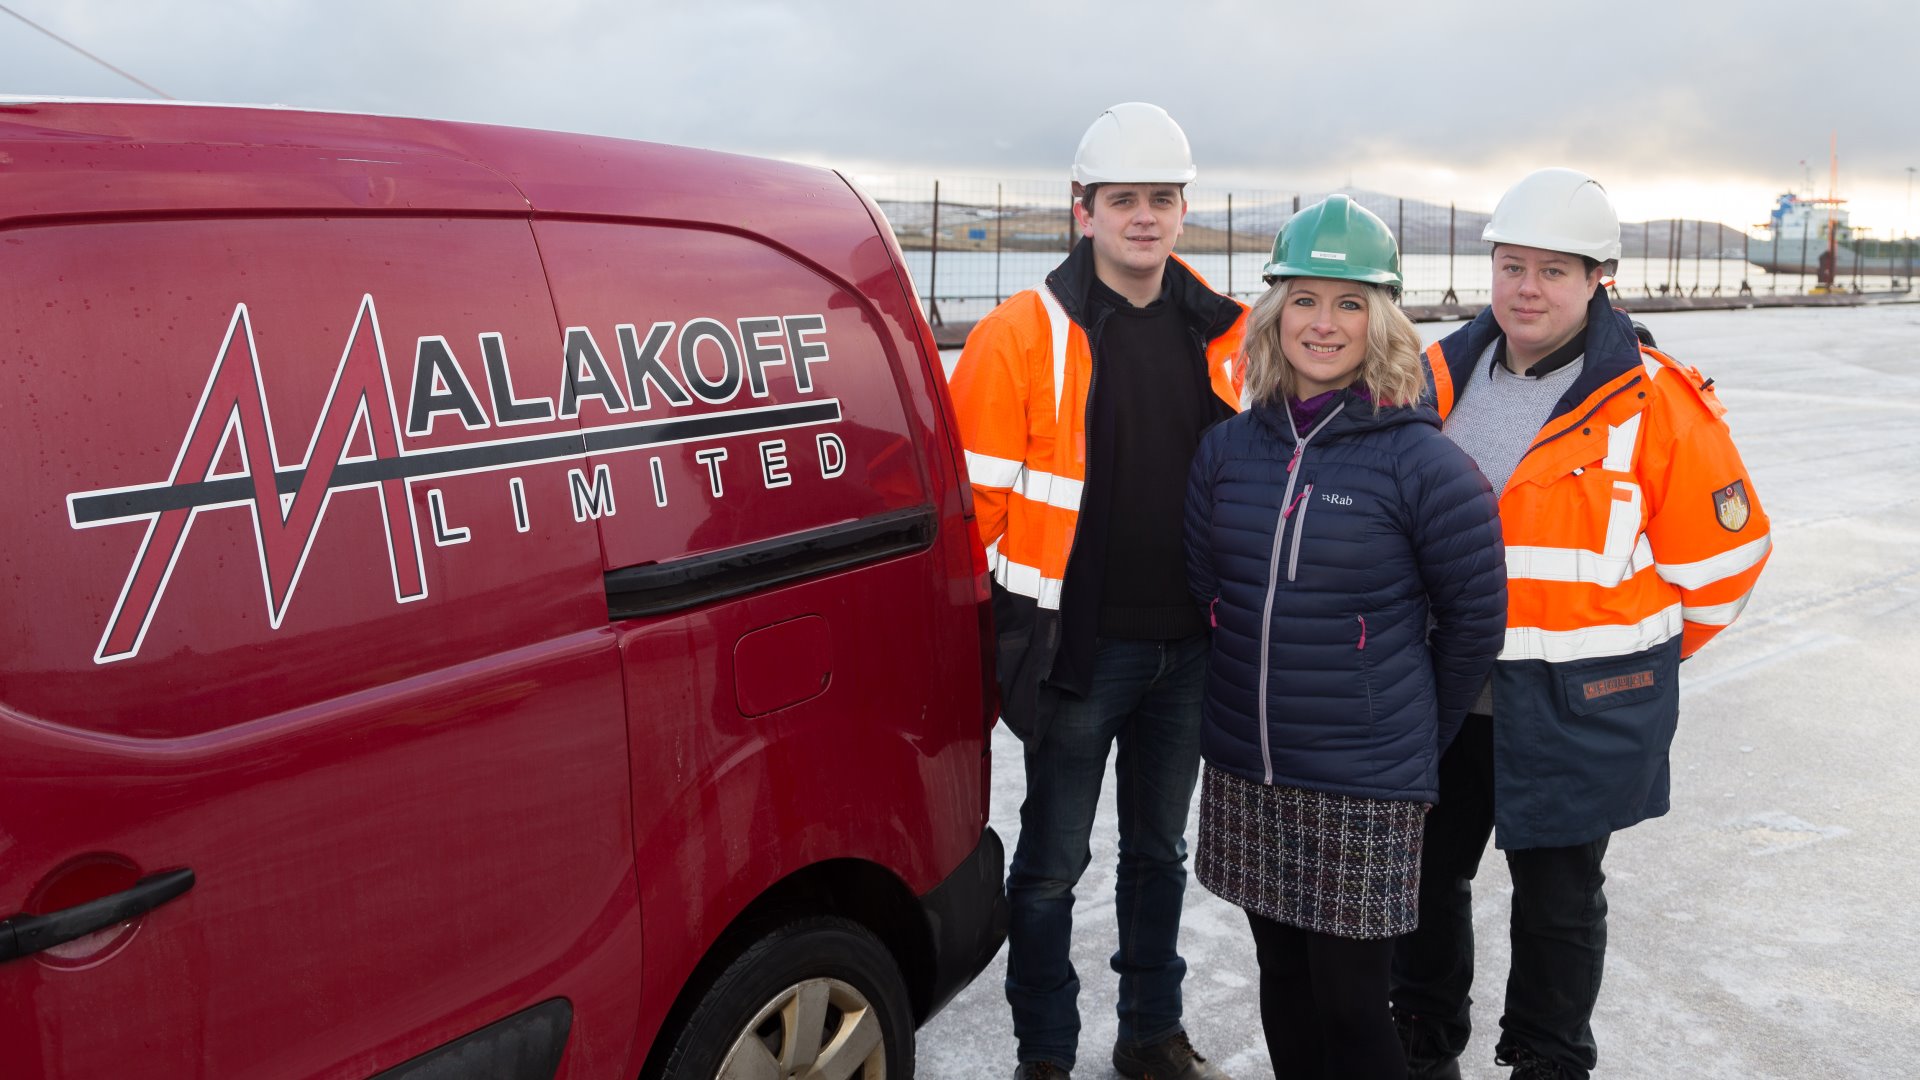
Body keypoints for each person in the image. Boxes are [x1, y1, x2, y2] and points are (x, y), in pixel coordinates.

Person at [1389, 168, 1774, 1080]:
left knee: (1558, 904)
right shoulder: (1433, 375)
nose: (1527, 288)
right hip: (1442, 700)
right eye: (1512, 265)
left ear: (1598, 277)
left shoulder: (1652, 400)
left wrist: (1632, 661)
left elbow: (1725, 563)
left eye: (1553, 271)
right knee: (1424, 886)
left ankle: (1548, 1061)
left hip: (1575, 707)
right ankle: (1423, 1045)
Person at [947, 102, 1245, 1080]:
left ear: (1183, 210)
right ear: (1085, 210)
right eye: (1124, 199)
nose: (1145, 217)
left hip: (1190, 653)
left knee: (1159, 856)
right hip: (1079, 656)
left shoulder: (1230, 336)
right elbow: (969, 516)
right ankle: (1046, 1052)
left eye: (1162, 198)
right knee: (1048, 871)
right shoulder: (1019, 337)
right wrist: (1002, 645)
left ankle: (1151, 1035)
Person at [1183, 195, 1508, 1079]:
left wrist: (1402, 737)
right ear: (1274, 312)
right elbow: (1213, 588)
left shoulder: (1423, 463)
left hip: (1364, 783)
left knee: (1357, 1009)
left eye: (1350, 303)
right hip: (1251, 769)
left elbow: (1474, 621)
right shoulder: (1227, 451)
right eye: (1305, 300)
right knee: (1282, 979)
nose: (1323, 324)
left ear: (1384, 321)